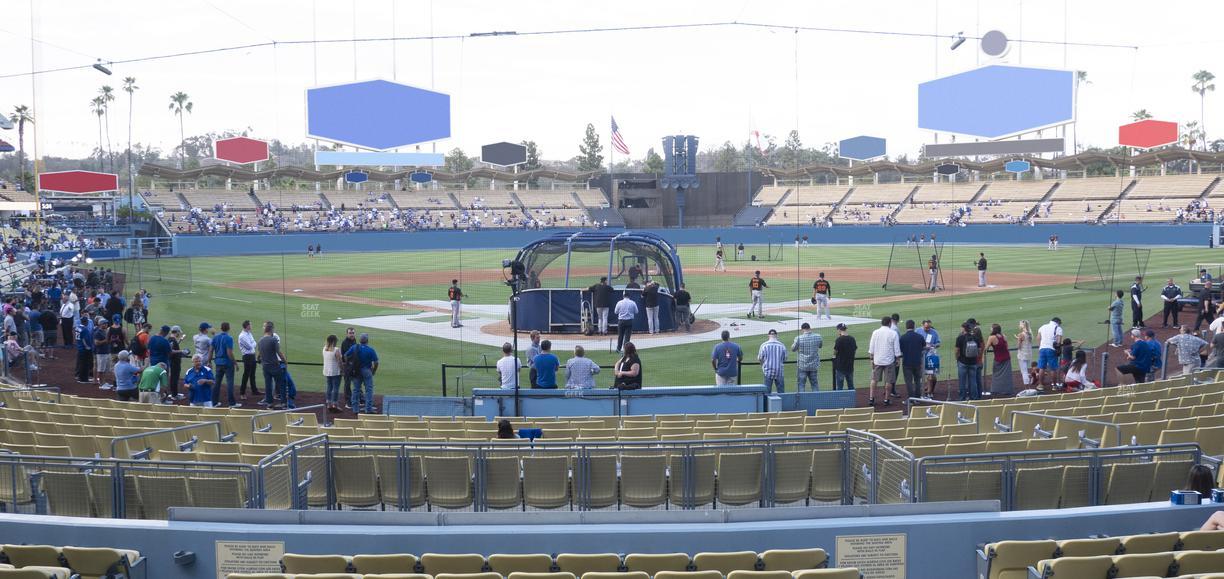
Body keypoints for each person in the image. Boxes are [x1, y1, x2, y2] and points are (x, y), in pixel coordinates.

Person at [868, 316, 901, 406]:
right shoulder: (893, 333)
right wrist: (898, 358)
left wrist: (871, 358)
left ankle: (871, 398)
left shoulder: (875, 332)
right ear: (889, 323)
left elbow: (871, 348)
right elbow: (897, 349)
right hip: (889, 361)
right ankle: (886, 399)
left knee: (874, 379)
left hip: (877, 360)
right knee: (888, 381)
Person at [345, 333, 378, 413]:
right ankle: (368, 409)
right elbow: (376, 362)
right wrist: (373, 371)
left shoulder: (354, 347)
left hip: (356, 371)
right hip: (367, 371)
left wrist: (349, 364)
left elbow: (345, 355)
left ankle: (355, 409)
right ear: (367, 341)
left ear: (360, 340)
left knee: (356, 390)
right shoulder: (370, 350)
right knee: (369, 390)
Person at [259, 321, 288, 408]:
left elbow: (259, 354)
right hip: (274, 366)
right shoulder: (273, 340)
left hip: (265, 366)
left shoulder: (260, 341)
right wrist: (285, 361)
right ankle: (283, 403)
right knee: (281, 384)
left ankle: (269, 403)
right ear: (271, 330)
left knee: (268, 385)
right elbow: (279, 352)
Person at [954, 322, 983, 401]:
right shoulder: (976, 338)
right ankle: (974, 398)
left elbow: (957, 350)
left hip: (962, 362)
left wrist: (957, 359)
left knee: (962, 382)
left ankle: (962, 398)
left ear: (964, 328)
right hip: (973, 362)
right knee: (973, 381)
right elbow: (979, 350)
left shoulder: (960, 338)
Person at [791, 322, 823, 392]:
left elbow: (793, 349)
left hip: (802, 365)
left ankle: (802, 402)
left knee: (801, 384)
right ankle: (817, 400)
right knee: (814, 384)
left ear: (802, 329)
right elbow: (820, 346)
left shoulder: (798, 338)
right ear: (810, 328)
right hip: (814, 365)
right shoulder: (818, 336)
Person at [211, 322, 237, 407]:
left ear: (221, 328)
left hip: (218, 363)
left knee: (217, 383)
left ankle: (214, 402)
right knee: (230, 383)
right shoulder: (229, 338)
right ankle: (232, 403)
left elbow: (210, 350)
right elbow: (229, 353)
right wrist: (235, 362)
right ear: (228, 328)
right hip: (227, 363)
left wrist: (209, 361)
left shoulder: (215, 337)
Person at [898, 320, 925, 399]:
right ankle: (918, 397)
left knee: (909, 381)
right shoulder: (919, 337)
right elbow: (923, 346)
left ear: (906, 327)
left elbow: (900, 350)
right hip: (917, 362)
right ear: (914, 326)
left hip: (907, 362)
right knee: (917, 380)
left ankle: (911, 398)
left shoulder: (902, 338)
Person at [987, 323, 1013, 396]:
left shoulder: (991, 337)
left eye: (991, 328)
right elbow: (1006, 346)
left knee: (996, 374)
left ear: (994, 330)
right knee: (1006, 375)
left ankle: (996, 390)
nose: (990, 329)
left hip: (998, 358)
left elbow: (986, 348)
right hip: (1006, 357)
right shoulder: (1003, 336)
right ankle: (1007, 390)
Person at [757, 329, 787, 393]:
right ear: (776, 335)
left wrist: (763, 366)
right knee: (781, 392)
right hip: (779, 371)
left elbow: (760, 358)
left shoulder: (764, 345)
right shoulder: (782, 345)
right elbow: (785, 358)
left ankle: (766, 403)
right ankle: (782, 402)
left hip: (768, 371)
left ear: (768, 335)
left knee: (767, 392)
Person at [1036, 317, 1063, 388]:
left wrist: (1040, 347)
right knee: (1053, 368)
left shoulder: (1042, 327)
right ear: (1058, 322)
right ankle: (1054, 385)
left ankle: (1040, 384)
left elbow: (1038, 338)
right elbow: (1059, 341)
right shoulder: (1058, 328)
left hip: (1042, 349)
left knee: (1042, 367)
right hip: (1051, 349)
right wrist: (1058, 349)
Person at [238, 320, 261, 400]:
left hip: (252, 355)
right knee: (246, 374)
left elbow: (254, 343)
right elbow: (250, 346)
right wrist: (253, 343)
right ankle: (242, 393)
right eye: (250, 325)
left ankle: (254, 390)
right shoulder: (242, 336)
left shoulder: (249, 333)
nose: (251, 326)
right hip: (247, 356)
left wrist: (253, 343)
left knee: (252, 374)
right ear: (247, 326)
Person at [339, 327, 360, 409]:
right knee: (347, 384)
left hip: (354, 366)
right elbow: (345, 356)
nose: (352, 334)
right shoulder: (345, 343)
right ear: (347, 334)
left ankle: (358, 399)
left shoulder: (354, 341)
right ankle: (348, 402)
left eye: (353, 333)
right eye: (350, 333)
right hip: (348, 367)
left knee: (357, 383)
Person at [832, 323, 857, 391]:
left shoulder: (839, 340)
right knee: (851, 385)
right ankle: (851, 400)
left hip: (840, 366)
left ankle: (839, 401)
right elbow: (854, 350)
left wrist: (834, 357)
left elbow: (835, 352)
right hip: (850, 365)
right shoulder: (852, 339)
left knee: (840, 386)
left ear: (839, 330)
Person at [167, 326, 189, 401]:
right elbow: (171, 351)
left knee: (174, 377)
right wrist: (181, 351)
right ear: (176, 332)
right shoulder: (172, 340)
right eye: (179, 332)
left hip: (173, 361)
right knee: (174, 378)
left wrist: (180, 340)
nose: (179, 333)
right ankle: (174, 395)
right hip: (174, 362)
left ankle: (174, 393)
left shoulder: (171, 339)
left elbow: (172, 348)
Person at [322, 334, 342, 412]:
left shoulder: (324, 348)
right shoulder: (336, 350)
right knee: (335, 388)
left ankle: (328, 403)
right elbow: (339, 362)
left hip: (327, 371)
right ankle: (335, 404)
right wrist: (342, 370)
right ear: (334, 341)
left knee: (329, 387)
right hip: (335, 371)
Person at [74, 314, 94, 383]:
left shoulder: (77, 328)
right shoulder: (85, 329)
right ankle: (84, 379)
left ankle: (80, 377)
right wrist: (87, 347)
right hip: (84, 348)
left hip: (79, 347)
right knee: (85, 364)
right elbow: (84, 339)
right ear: (86, 322)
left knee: (81, 363)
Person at [92, 318, 111, 386]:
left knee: (105, 368)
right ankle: (101, 383)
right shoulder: (98, 332)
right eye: (104, 323)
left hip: (107, 351)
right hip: (101, 352)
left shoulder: (106, 331)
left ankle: (104, 382)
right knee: (101, 369)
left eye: (106, 323)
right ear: (100, 324)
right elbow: (96, 343)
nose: (106, 324)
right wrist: (106, 340)